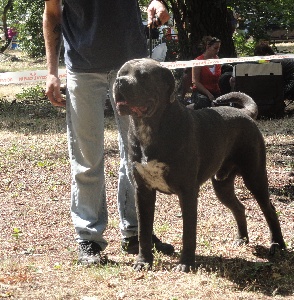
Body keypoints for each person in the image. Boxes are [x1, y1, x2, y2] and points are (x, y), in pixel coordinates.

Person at [43, 0, 173, 265]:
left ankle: (137, 233)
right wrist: (51, 72)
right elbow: (53, 14)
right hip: (81, 66)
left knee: (136, 155)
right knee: (86, 157)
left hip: (131, 65)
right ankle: (88, 238)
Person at [191, 36, 222, 109]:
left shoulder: (217, 59)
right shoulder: (198, 61)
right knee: (204, 104)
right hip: (201, 92)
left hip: (215, 92)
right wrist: (208, 94)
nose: (217, 51)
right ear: (208, 47)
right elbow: (195, 82)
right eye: (215, 48)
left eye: (218, 48)